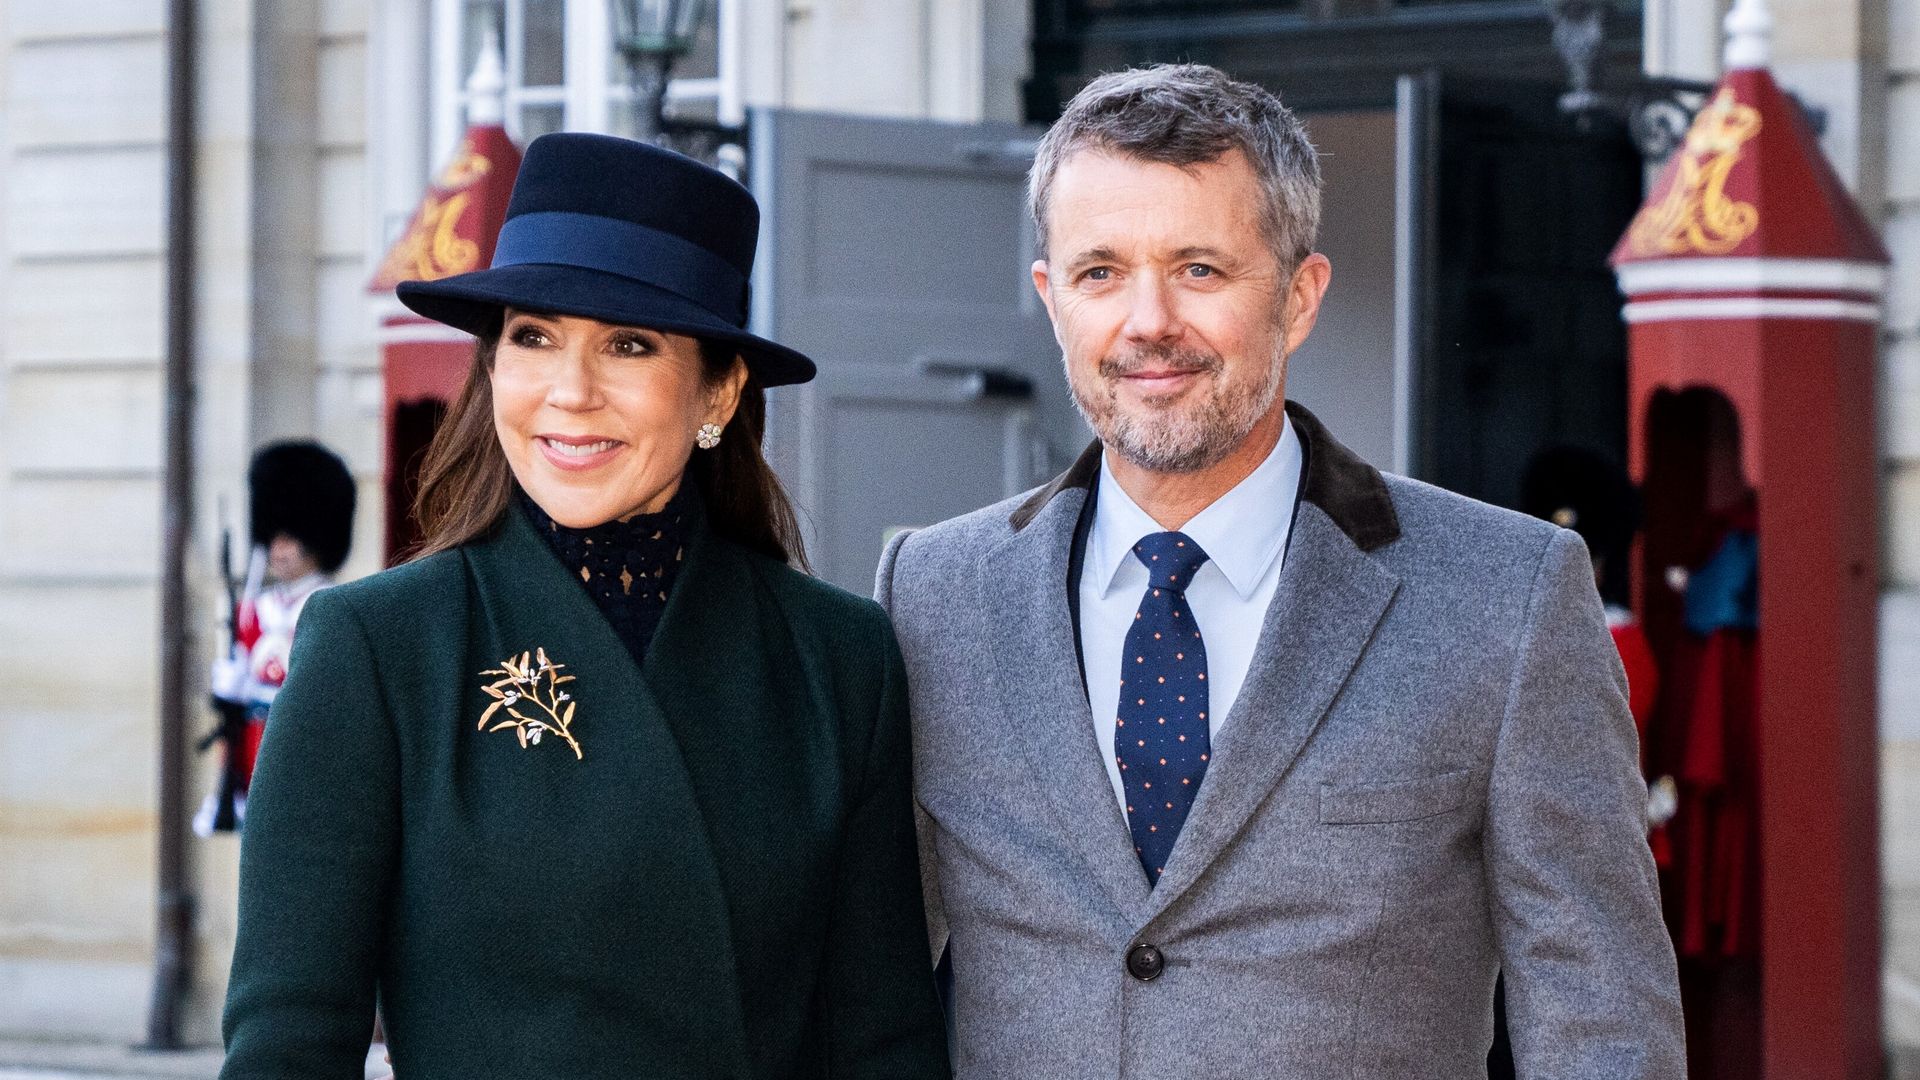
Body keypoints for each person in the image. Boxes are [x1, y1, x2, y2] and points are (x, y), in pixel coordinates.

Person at [875, 64, 1684, 1078]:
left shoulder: (1508, 598)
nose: (1147, 321)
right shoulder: (933, 595)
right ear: (1051, 299)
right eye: (1100, 273)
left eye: (1201, 270)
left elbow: (1602, 1024)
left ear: (1298, 298)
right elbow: (863, 991)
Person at [219, 133, 949, 1080]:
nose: (570, 392)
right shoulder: (378, 646)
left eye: (629, 344)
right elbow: (287, 1045)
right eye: (533, 338)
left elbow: (884, 1044)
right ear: (491, 369)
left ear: (719, 390)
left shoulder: (841, 660)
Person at [196, 440, 358, 837]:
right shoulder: (253, 610)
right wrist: (230, 685)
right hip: (254, 739)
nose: (278, 548)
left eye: (291, 537)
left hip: (306, 739)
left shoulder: (333, 606)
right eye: (274, 536)